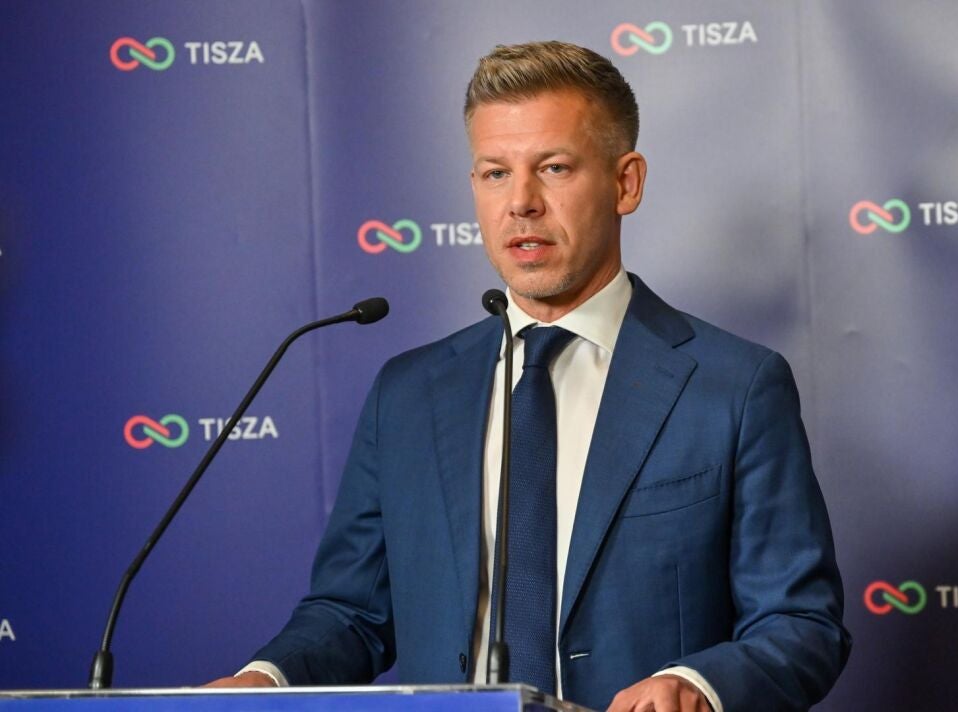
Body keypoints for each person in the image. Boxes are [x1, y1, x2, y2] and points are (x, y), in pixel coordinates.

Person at [208, 41, 849, 711]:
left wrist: (696, 685)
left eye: (554, 167)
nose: (521, 202)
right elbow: (351, 612)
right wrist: (266, 679)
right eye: (495, 173)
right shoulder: (409, 394)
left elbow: (801, 624)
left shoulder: (734, 387)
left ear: (626, 183)